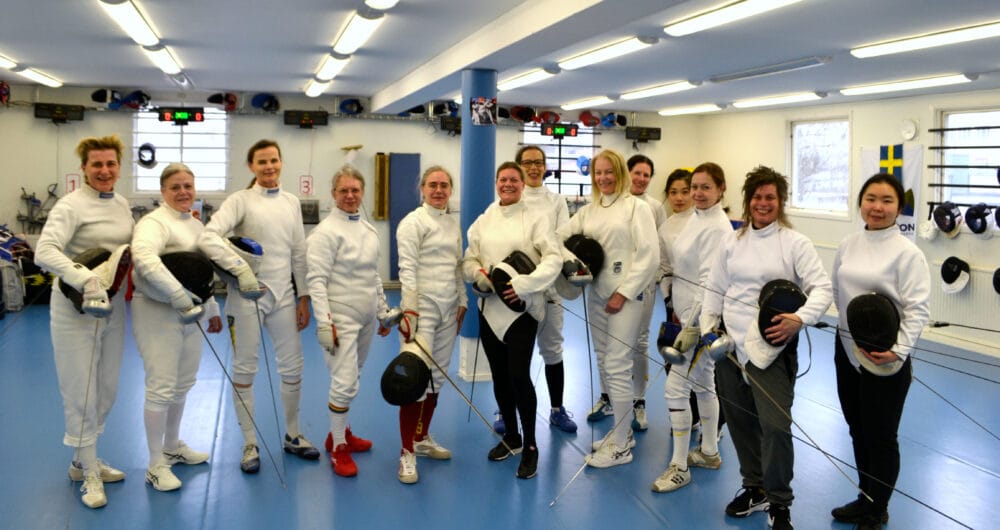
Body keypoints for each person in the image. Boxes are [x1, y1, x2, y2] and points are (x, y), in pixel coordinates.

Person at [702, 166, 832, 530]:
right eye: (757, 197)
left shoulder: (795, 243)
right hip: (730, 347)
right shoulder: (732, 242)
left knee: (775, 427)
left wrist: (799, 318)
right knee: (740, 422)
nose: (763, 203)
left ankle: (779, 502)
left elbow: (822, 288)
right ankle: (755, 487)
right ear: (748, 201)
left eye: (770, 197)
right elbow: (714, 289)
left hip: (772, 347)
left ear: (781, 201)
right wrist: (709, 331)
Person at [198, 139, 318, 474]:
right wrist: (239, 270)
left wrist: (304, 296)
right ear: (251, 166)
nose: (269, 167)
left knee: (293, 368)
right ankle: (249, 443)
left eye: (274, 160)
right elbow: (208, 236)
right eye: (262, 162)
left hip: (283, 296)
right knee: (245, 370)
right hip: (246, 297)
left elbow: (298, 252)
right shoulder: (240, 200)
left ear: (281, 163)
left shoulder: (291, 202)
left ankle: (293, 435)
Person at [35, 134, 134, 508]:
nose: (105, 171)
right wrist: (84, 277)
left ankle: (82, 460)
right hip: (74, 308)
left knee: (107, 388)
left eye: (110, 164)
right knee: (81, 391)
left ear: (118, 167)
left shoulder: (122, 204)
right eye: (97, 165)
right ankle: (89, 470)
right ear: (84, 168)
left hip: (111, 307)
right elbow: (44, 251)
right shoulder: (70, 205)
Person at [830, 173, 930, 530]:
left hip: (886, 359)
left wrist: (897, 351)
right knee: (857, 429)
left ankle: (878, 509)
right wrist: (849, 335)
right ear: (861, 202)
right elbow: (837, 291)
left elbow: (918, 310)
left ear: (899, 208)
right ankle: (866, 497)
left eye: (887, 201)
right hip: (847, 350)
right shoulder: (848, 244)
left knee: (881, 436)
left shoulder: (908, 253)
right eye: (871, 198)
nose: (877, 207)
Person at [556, 149, 658, 468]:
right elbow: (557, 238)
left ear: (620, 173)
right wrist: (572, 265)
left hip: (626, 297)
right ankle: (621, 432)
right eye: (598, 173)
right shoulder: (589, 211)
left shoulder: (636, 208)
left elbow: (650, 256)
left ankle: (622, 446)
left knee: (617, 365)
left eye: (609, 172)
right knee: (604, 361)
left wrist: (624, 292)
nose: (603, 178)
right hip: (596, 294)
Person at [463, 161, 561, 479]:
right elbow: (470, 258)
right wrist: (478, 275)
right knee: (500, 377)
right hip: (489, 308)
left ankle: (531, 446)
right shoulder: (484, 220)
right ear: (496, 183)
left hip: (522, 308)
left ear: (522, 184)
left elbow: (553, 259)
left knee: (519, 376)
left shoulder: (537, 218)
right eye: (503, 179)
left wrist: (523, 285)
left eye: (513, 180)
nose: (507, 184)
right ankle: (512, 437)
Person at [131, 163, 223, 491]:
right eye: (175, 187)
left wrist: (212, 308)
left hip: (192, 313)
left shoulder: (196, 225)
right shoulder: (154, 223)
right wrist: (176, 294)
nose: (183, 192)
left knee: (183, 383)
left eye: (188, 186)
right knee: (161, 385)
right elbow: (143, 258)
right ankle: (155, 464)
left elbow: (202, 271)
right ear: (163, 191)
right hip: (156, 312)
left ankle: (171, 446)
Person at [306, 165, 392, 477]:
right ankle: (339, 448)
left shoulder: (369, 230)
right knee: (344, 382)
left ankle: (339, 433)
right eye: (344, 190)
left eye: (355, 190)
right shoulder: (325, 232)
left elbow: (373, 276)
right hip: (340, 316)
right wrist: (324, 323)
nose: (350, 195)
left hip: (366, 315)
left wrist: (382, 311)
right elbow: (316, 281)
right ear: (334, 194)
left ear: (362, 192)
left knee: (353, 376)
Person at [653, 162, 732, 492]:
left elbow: (709, 283)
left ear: (720, 189)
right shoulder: (696, 219)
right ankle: (710, 452)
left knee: (675, 388)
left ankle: (679, 466)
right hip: (686, 314)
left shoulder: (716, 227)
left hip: (700, 321)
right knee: (704, 383)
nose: (698, 193)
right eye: (694, 187)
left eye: (705, 187)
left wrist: (692, 325)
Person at [394, 166, 468, 483]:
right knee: (414, 381)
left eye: (444, 185)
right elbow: (407, 268)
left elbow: (457, 266)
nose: (439, 190)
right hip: (421, 309)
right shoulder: (412, 222)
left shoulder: (452, 224)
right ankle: (406, 452)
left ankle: (421, 439)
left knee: (436, 378)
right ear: (422, 188)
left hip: (448, 308)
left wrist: (463, 300)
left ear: (450, 190)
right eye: (433, 185)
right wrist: (409, 309)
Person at [499, 145, 576, 434]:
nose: (533, 167)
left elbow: (562, 240)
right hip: (515, 290)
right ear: (519, 166)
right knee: (513, 353)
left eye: (538, 162)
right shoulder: (508, 201)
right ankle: (505, 411)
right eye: (527, 162)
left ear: (545, 166)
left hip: (549, 286)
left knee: (552, 349)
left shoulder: (556, 201)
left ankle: (557, 409)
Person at [625, 154, 667, 431]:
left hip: (645, 286)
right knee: (610, 344)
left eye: (646, 175)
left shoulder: (655, 207)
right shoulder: (616, 201)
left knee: (639, 342)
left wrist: (656, 278)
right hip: (614, 283)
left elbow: (659, 245)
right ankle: (608, 397)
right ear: (627, 173)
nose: (641, 179)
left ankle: (639, 401)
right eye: (637, 173)